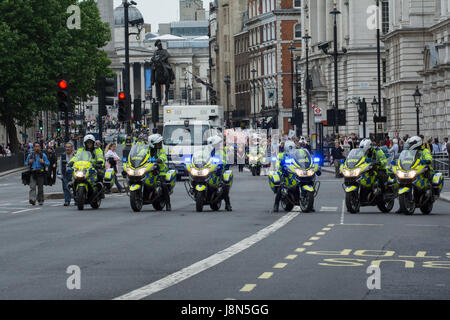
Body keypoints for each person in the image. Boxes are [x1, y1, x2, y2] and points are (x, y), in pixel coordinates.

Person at [207, 134, 232, 211]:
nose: (215, 145)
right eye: (214, 144)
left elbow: (226, 160)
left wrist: (221, 164)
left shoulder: (221, 151)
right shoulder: (210, 151)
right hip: (210, 171)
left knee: (224, 186)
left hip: (220, 171)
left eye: (216, 144)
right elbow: (205, 159)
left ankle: (228, 204)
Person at [148, 134, 171, 211]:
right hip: (149, 170)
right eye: (158, 143)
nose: (160, 144)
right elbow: (140, 155)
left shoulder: (161, 150)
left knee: (163, 185)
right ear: (152, 144)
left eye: (160, 142)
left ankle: (168, 203)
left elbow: (163, 156)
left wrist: (160, 159)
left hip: (161, 171)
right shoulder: (146, 150)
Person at [273, 140, 297, 212]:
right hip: (283, 173)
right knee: (281, 186)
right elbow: (277, 164)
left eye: (292, 148)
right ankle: (276, 204)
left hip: (294, 172)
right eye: (290, 148)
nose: (291, 150)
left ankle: (310, 204)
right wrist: (281, 169)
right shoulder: (281, 155)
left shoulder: (296, 155)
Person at [59, 142, 76, 206]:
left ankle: (76, 200)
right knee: (66, 187)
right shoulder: (63, 155)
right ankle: (67, 201)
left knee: (75, 187)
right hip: (65, 173)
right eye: (66, 147)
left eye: (69, 147)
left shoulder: (75, 154)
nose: (67, 148)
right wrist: (60, 173)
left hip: (74, 173)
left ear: (72, 148)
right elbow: (60, 164)